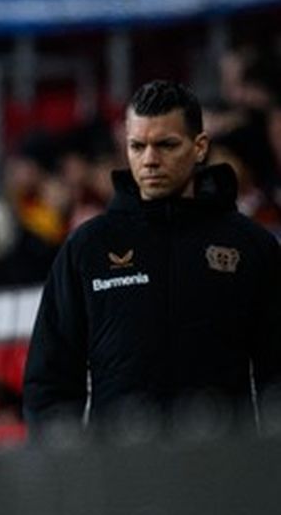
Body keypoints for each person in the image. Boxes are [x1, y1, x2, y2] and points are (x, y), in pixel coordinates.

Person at [23, 80, 281, 434]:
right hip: (117, 475)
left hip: (223, 470)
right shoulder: (87, 248)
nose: (150, 160)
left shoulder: (251, 246)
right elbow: (50, 379)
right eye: (137, 146)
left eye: (166, 145)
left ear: (200, 147)